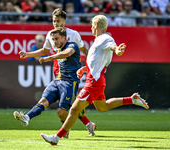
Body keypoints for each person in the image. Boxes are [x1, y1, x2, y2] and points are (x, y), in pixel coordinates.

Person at [40, 14, 149, 145]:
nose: (91, 28)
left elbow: (112, 45)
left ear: (96, 25)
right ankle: (131, 99)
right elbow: (96, 62)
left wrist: (117, 50)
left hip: (94, 82)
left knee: (74, 109)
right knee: (103, 107)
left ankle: (56, 138)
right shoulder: (97, 40)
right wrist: (84, 69)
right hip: (96, 80)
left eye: (92, 25)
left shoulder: (104, 38)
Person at [13, 8, 96, 138]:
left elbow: (83, 50)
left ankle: (83, 124)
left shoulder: (73, 35)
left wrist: (90, 66)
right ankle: (27, 117)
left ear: (64, 20)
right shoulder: (50, 34)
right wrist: (28, 54)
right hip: (58, 74)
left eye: (58, 21)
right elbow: (44, 50)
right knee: (52, 102)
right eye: (53, 21)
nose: (56, 23)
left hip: (70, 77)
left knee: (69, 108)